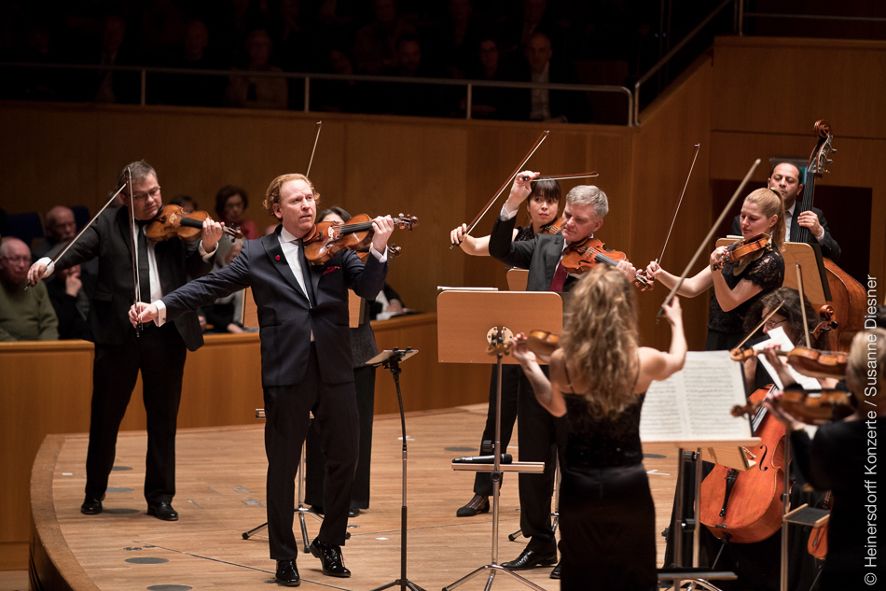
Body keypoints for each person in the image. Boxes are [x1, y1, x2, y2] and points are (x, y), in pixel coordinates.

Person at [130, 174, 395, 586]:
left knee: (346, 458)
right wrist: (161, 306)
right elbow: (209, 285)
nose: (307, 206)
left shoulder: (338, 247)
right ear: (277, 209)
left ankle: (330, 541)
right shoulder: (257, 253)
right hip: (286, 370)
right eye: (297, 200)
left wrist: (378, 249)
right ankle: (284, 556)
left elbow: (367, 286)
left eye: (310, 198)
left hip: (335, 367)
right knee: (283, 467)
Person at [27, 160, 222, 521]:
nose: (152, 201)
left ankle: (160, 497)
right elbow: (76, 246)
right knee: (105, 416)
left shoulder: (176, 224)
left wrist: (208, 248)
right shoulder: (108, 223)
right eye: (141, 196)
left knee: (163, 418)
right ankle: (94, 491)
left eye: (155, 192)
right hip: (117, 336)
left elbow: (196, 274)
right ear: (123, 198)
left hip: (166, 335)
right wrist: (47, 262)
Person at [489, 172, 637, 577]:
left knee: (576, 467)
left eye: (579, 220)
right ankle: (538, 544)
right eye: (568, 215)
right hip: (536, 369)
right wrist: (512, 203)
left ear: (598, 225)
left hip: (578, 377)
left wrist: (622, 285)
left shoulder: (609, 265)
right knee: (533, 463)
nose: (569, 223)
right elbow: (500, 248)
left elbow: (615, 319)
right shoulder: (546, 244)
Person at [510, 266, 686, 589]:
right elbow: (677, 361)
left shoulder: (565, 360)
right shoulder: (641, 360)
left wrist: (530, 365)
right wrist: (677, 324)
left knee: (582, 575)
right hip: (628, 485)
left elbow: (556, 406)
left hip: (580, 486)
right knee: (633, 574)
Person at [449, 177, 561, 518]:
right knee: (498, 417)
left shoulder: (563, 241)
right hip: (512, 338)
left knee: (541, 423)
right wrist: (462, 237)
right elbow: (477, 247)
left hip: (547, 342)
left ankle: (540, 502)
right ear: (528, 204)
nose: (544, 206)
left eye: (551, 201)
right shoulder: (516, 237)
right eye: (538, 200)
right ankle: (483, 491)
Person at [764, 327, 885, 590]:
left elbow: (814, 476)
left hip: (850, 555)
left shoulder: (838, 435)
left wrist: (794, 425)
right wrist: (786, 377)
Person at [305, 206, 380, 517]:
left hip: (358, 352)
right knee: (318, 428)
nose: (337, 234)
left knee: (357, 429)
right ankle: (318, 496)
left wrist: (377, 249)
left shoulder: (355, 260)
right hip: (321, 352)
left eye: (343, 228)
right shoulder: (312, 259)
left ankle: (352, 498)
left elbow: (370, 288)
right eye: (330, 228)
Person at [647, 187, 786, 351]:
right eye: (743, 216)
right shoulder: (736, 248)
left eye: (753, 218)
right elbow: (692, 287)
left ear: (772, 221)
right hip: (716, 334)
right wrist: (660, 274)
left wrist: (716, 269)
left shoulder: (771, 261)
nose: (744, 223)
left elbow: (729, 303)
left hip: (743, 341)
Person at [731, 161, 841, 262]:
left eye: (790, 180)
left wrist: (818, 231)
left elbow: (835, 254)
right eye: (778, 178)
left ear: (799, 189)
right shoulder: (745, 220)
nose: (782, 183)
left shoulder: (814, 215)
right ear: (769, 183)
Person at [0, 237, 58, 341]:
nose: (22, 265)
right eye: (16, 259)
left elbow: (49, 322)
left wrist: (43, 348)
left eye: (26, 259)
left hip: (38, 350)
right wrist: (19, 350)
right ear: (1, 262)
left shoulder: (37, 284)